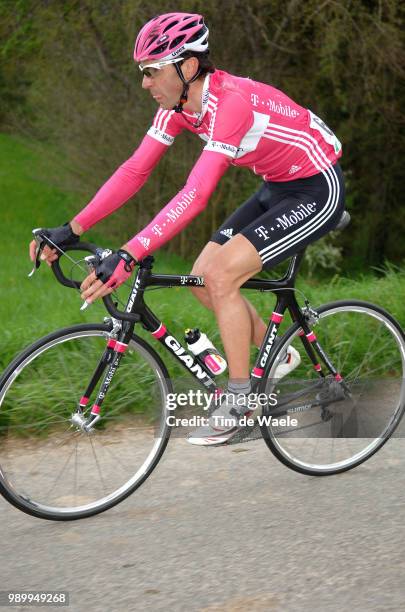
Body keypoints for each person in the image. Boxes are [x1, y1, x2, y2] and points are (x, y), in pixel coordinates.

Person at [29, 12, 345, 446]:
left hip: (316, 189)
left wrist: (130, 253)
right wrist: (72, 227)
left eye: (151, 71)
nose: (145, 83)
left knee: (221, 275)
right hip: (277, 186)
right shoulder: (179, 107)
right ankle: (280, 357)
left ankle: (240, 402)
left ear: (188, 67)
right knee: (201, 278)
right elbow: (135, 170)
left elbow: (195, 194)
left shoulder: (228, 103)